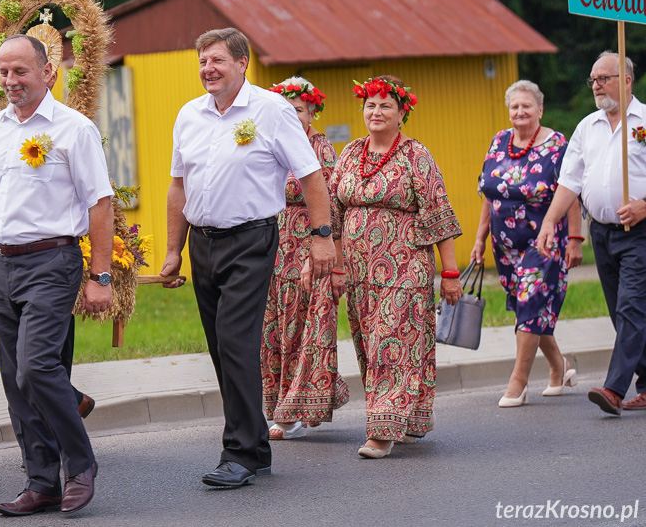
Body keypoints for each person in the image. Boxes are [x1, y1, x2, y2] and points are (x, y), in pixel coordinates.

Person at [159, 28, 336, 488]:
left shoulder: (272, 110)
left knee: (236, 343)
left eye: (217, 60)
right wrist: (173, 250)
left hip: (251, 239)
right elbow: (178, 186)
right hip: (203, 242)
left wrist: (322, 236)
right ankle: (255, 446)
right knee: (222, 348)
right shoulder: (188, 115)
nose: (207, 70)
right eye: (202, 62)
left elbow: (312, 176)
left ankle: (236, 453)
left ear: (242, 64)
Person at [0, 34, 114, 515]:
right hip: (2, 264)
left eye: (20, 71)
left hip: (52, 262)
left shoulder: (74, 129)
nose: (10, 81)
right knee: (14, 378)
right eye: (3, 72)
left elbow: (100, 203)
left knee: (36, 368)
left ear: (48, 72)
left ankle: (80, 464)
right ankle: (41, 481)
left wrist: (101, 277)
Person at [331, 76, 462, 459]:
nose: (376, 112)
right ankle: (410, 414)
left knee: (394, 343)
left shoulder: (415, 155)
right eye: (370, 105)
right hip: (359, 274)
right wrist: (337, 266)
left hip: (405, 268)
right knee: (372, 346)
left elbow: (439, 215)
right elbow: (335, 215)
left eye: (385, 105)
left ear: (402, 113)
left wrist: (450, 273)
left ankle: (382, 431)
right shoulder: (351, 153)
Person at [537, 51, 646, 416]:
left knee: (631, 307)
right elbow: (570, 181)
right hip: (602, 232)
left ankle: (613, 389)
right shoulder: (588, 127)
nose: (596, 86)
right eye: (593, 80)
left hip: (640, 231)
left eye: (604, 78)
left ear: (626, 80)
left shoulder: (644, 121)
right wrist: (551, 221)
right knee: (622, 311)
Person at [471, 80, 583, 408]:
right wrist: (479, 237)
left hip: (544, 242)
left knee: (530, 302)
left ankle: (518, 382)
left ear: (540, 109)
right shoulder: (498, 141)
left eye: (527, 106)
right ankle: (558, 367)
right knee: (527, 310)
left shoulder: (557, 145)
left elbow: (571, 192)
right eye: (515, 107)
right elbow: (488, 194)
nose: (520, 112)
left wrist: (575, 240)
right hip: (504, 244)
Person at [262, 77, 348, 440]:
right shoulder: (269, 146)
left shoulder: (321, 150)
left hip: (310, 250)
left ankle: (293, 413)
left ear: (312, 113)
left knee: (304, 329)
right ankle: (297, 404)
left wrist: (331, 257)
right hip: (272, 249)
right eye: (284, 109)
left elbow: (334, 207)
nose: (290, 115)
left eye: (297, 109)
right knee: (275, 331)